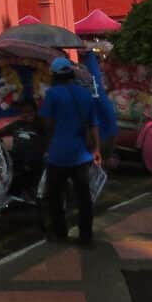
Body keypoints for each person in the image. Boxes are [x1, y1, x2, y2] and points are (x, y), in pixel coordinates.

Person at [39, 57, 101, 245]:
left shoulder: (52, 95)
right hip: (82, 154)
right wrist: (97, 149)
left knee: (55, 196)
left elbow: (47, 123)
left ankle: (60, 233)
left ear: (55, 76)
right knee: (84, 197)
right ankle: (85, 235)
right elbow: (93, 124)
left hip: (58, 154)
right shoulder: (85, 94)